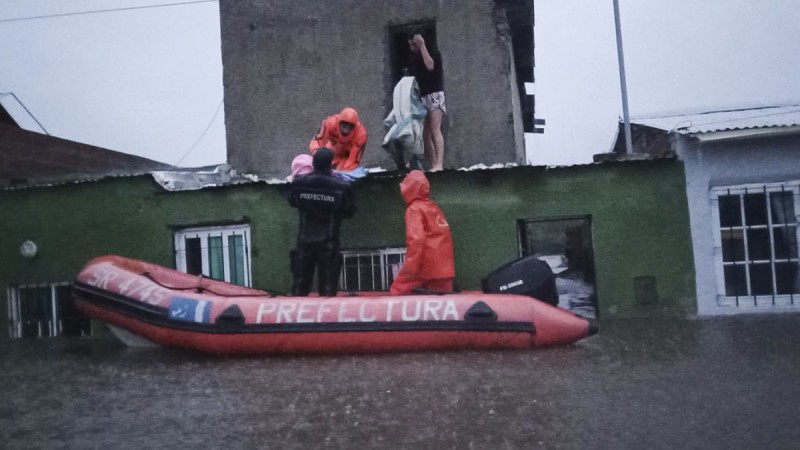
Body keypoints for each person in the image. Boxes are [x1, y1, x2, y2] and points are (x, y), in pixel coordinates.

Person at [287, 148, 356, 296]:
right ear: (331, 164)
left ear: (314, 163)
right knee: (328, 288)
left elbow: (292, 201)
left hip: (305, 242)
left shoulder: (299, 183)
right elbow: (349, 211)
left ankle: (295, 318)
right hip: (328, 244)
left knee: (300, 287)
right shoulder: (342, 187)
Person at [390, 170, 455, 295]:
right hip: (444, 271)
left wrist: (409, 272)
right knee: (442, 310)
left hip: (426, 270)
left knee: (397, 292)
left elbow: (416, 241)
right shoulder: (433, 206)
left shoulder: (414, 209)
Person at [407, 33, 445, 171]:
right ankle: (434, 163)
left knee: (436, 129)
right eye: (410, 45)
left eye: (413, 44)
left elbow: (430, 66)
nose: (412, 47)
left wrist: (422, 45)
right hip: (423, 97)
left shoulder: (432, 53)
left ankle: (439, 164)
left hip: (435, 94)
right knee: (425, 134)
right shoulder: (414, 59)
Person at [382, 74, 427, 172]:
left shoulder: (416, 102)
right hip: (403, 126)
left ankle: (417, 165)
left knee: (415, 148)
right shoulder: (402, 103)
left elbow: (421, 113)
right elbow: (394, 116)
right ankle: (402, 167)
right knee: (391, 140)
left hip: (414, 129)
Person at [309, 107, 368, 172]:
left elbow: (353, 160)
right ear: (339, 122)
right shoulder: (329, 123)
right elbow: (317, 141)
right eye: (344, 125)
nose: (346, 130)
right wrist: (318, 158)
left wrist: (343, 175)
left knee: (342, 173)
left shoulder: (360, 134)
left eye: (350, 127)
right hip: (330, 152)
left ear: (355, 126)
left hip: (345, 158)